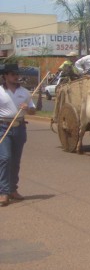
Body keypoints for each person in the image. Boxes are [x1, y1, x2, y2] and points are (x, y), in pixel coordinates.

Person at [0, 63, 36, 206]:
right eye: (13, 74)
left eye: (17, 74)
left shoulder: (25, 92)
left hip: (19, 128)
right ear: (5, 76)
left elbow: (33, 111)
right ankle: (3, 192)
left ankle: (13, 190)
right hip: (3, 128)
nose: (16, 77)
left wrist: (28, 109)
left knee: (15, 161)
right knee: (5, 158)